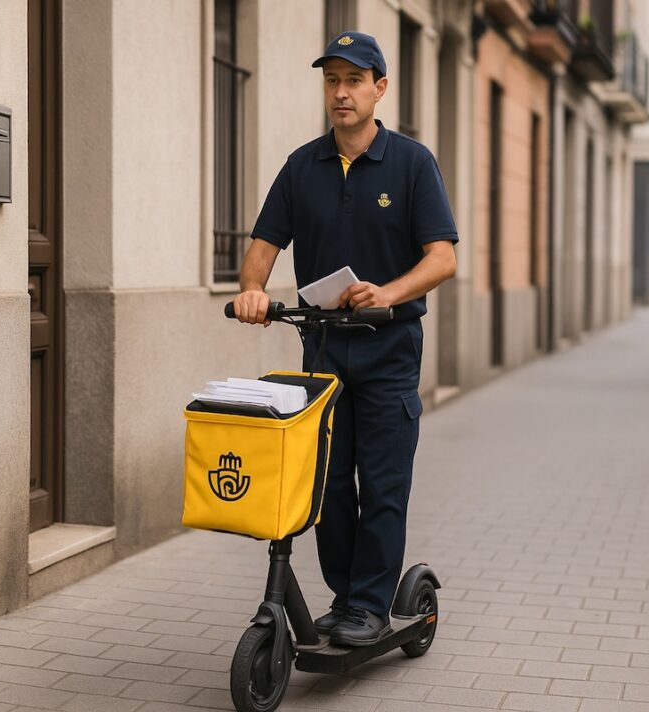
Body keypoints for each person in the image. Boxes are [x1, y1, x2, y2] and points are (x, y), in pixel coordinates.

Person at [231, 30, 458, 647]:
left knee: (383, 481)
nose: (341, 92)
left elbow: (442, 258)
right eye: (332, 80)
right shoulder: (301, 166)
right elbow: (262, 250)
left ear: (379, 88)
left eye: (354, 80)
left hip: (389, 349)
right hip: (323, 352)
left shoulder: (412, 163)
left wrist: (388, 292)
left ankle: (371, 605)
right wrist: (253, 289)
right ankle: (347, 599)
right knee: (327, 486)